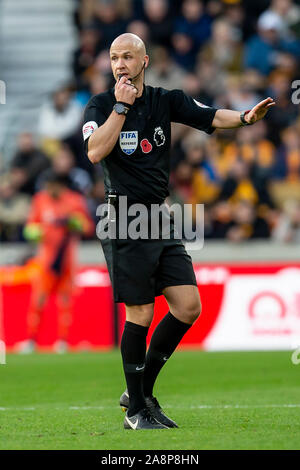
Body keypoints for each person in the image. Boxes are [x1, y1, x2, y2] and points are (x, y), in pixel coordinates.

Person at [83, 33, 275, 430]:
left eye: (128, 57)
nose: (120, 64)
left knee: (188, 306)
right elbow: (96, 151)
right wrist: (120, 107)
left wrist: (243, 118)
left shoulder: (165, 100)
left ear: (145, 61)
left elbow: (209, 115)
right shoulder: (101, 105)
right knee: (141, 312)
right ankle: (136, 412)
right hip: (123, 217)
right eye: (114, 58)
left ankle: (139, 391)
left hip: (159, 217)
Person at [19, 172, 94, 354]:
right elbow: (29, 227)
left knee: (65, 301)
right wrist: (35, 232)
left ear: (61, 186)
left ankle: (62, 341)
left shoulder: (74, 200)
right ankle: (31, 340)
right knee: (38, 301)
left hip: (67, 260)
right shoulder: (40, 200)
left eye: (53, 185)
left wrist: (74, 222)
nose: (50, 189)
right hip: (45, 260)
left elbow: (87, 227)